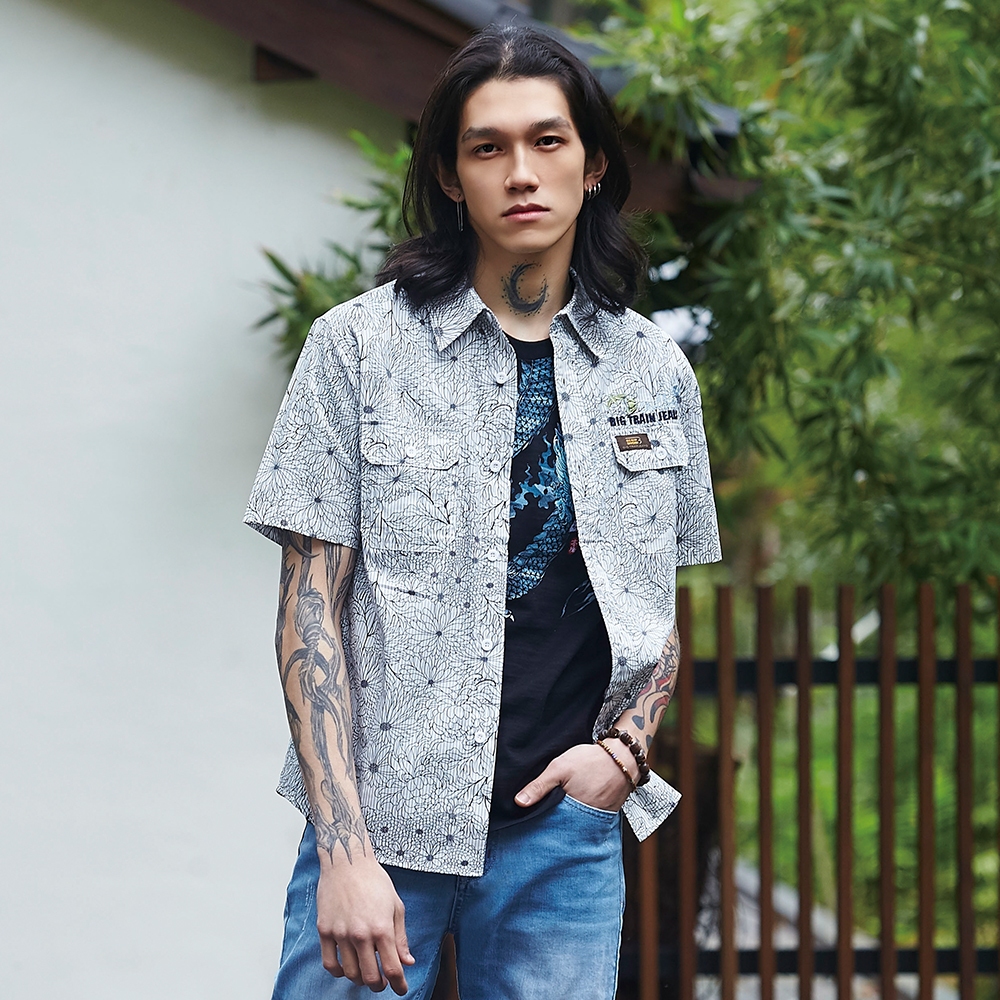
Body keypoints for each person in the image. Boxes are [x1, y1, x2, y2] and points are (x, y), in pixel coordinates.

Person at [244, 23, 721, 1000]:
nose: (521, 172)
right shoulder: (357, 350)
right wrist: (343, 851)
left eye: (547, 140)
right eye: (487, 147)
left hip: (562, 840)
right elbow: (308, 611)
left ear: (593, 164)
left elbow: (654, 603)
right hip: (381, 830)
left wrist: (624, 753)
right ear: (450, 176)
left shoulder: (653, 372)